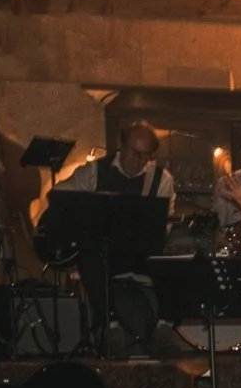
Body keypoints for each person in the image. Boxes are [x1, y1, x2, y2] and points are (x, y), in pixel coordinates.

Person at [53, 122, 176, 352]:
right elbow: (61, 194)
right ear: (120, 145)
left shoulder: (162, 179)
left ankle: (164, 326)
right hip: (104, 253)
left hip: (142, 252)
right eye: (134, 153)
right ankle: (111, 325)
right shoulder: (95, 171)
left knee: (173, 261)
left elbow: (163, 225)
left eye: (145, 157)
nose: (138, 161)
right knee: (88, 254)